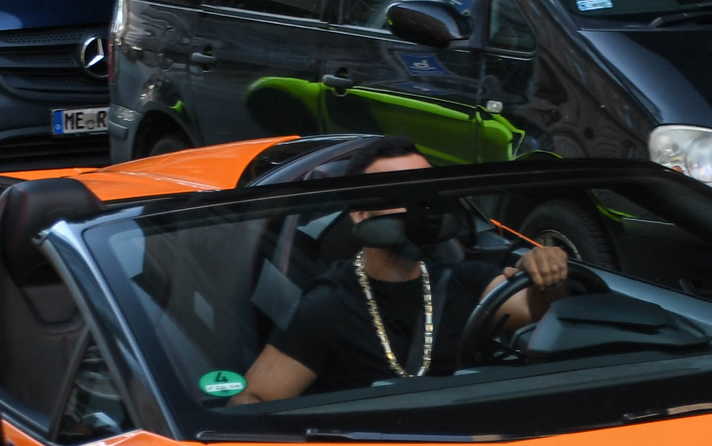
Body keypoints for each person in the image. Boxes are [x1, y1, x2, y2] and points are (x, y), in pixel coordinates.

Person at [232, 140, 572, 403]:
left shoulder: (465, 281)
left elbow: (539, 311)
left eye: (424, 191)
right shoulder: (327, 307)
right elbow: (253, 402)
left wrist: (546, 270)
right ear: (360, 214)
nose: (416, 207)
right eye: (399, 192)